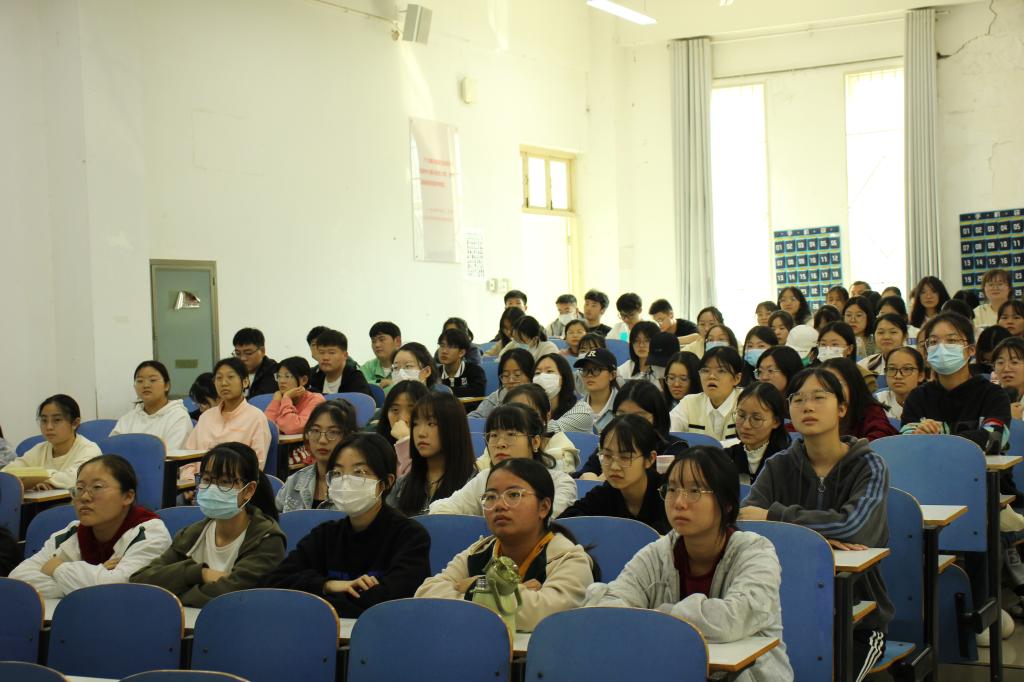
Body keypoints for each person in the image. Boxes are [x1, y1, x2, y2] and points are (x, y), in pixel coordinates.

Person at [585, 446, 793, 682]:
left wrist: (655, 616)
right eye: (672, 489)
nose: (679, 502)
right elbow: (608, 608)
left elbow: (731, 619)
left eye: (694, 491)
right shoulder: (658, 553)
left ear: (726, 503)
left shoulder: (756, 552)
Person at [740, 368, 892, 680]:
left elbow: (853, 528)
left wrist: (776, 518)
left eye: (819, 398)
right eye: (798, 399)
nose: (807, 406)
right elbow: (746, 523)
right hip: (782, 613)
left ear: (842, 408)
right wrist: (819, 534)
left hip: (856, 619)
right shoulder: (778, 465)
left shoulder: (870, 465)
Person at [415, 457, 594, 631]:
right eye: (491, 497)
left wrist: (476, 586)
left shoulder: (569, 558)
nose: (499, 505)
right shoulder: (478, 552)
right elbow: (427, 594)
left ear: (544, 507)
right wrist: (516, 592)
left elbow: (544, 613)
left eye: (514, 495)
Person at [265, 434, 431, 617]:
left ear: (386, 482)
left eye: (359, 472)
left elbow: (389, 601)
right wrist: (328, 585)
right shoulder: (326, 534)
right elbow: (274, 581)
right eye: (337, 473)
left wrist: (317, 601)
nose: (345, 481)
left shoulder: (410, 536)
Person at [131, 444, 286, 607]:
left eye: (225, 482)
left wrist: (174, 594)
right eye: (206, 479)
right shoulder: (192, 535)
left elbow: (233, 596)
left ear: (248, 490)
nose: (212, 488)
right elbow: (141, 580)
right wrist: (199, 572)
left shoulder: (267, 539)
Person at [10, 455, 172, 597]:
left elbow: (119, 589)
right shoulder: (72, 532)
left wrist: (57, 569)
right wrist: (95, 575)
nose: (85, 497)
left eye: (97, 487)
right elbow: (19, 578)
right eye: (79, 488)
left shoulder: (151, 533)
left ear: (128, 496)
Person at [428, 404, 577, 516]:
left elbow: (544, 520)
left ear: (535, 442)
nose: (500, 444)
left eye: (511, 434)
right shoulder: (484, 479)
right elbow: (441, 510)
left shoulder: (559, 483)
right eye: (493, 435)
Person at [901, 313, 1012, 454]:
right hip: (931, 467)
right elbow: (906, 442)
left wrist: (940, 437)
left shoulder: (993, 395)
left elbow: (995, 438)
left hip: (981, 468)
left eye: (951, 340)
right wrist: (918, 434)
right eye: (934, 342)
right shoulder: (918, 397)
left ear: (971, 350)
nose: (941, 348)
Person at [560, 414, 669, 533]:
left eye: (625, 457)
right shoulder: (605, 493)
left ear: (650, 459)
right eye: (607, 456)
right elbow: (565, 522)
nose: (614, 466)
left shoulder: (668, 494)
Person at [388, 393, 478, 516]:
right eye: (416, 424)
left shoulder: (474, 484)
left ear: (453, 428)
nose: (421, 433)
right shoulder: (403, 484)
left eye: (431, 424)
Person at [185, 358, 271, 471]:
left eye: (230, 377)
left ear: (245, 382)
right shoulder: (206, 417)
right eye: (219, 378)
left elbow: (256, 466)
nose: (224, 383)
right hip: (199, 480)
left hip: (235, 480)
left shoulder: (256, 418)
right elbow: (188, 458)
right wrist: (189, 480)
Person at [577, 380, 675, 479]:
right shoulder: (611, 444)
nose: (628, 423)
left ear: (657, 418)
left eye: (638, 417)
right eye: (622, 415)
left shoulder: (673, 449)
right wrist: (587, 476)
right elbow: (583, 473)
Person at [475, 384, 581, 475]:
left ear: (546, 416)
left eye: (529, 411)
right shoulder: (498, 443)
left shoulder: (561, 453)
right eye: (513, 411)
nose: (520, 416)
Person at [3, 395, 102, 490]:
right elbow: (6, 473)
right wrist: (37, 481)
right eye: (44, 420)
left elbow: (77, 477)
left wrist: (36, 480)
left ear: (75, 423)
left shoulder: (89, 450)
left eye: (57, 420)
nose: (49, 427)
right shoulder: (39, 449)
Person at [275, 401, 359, 512]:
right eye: (315, 430)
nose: (322, 440)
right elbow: (274, 518)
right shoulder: (295, 481)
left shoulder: (358, 487)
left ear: (349, 436)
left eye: (333, 432)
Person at [110, 361, 193, 449]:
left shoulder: (178, 417)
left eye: (153, 380)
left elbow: (172, 453)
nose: (146, 385)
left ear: (166, 385)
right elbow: (111, 448)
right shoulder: (128, 419)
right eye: (140, 381)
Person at [669, 347, 743, 441]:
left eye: (721, 371)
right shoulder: (689, 403)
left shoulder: (748, 402)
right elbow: (669, 434)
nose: (711, 376)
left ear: (737, 378)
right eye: (705, 370)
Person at [725, 382, 791, 484]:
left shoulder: (787, 462)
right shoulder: (726, 458)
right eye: (741, 415)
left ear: (776, 422)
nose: (746, 425)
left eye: (757, 418)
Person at [820, 358, 897, 441]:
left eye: (836, 384)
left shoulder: (871, 411)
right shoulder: (817, 411)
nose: (831, 390)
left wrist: (844, 447)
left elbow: (879, 441)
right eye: (824, 386)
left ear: (852, 384)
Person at [375, 380, 430, 477]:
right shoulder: (377, 447)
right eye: (395, 410)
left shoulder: (434, 450)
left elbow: (417, 481)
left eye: (413, 411)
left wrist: (404, 440)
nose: (402, 419)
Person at [533, 353, 594, 433]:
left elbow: (550, 430)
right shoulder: (530, 407)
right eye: (537, 373)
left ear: (562, 379)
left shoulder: (583, 411)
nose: (542, 377)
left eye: (549, 371)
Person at [468, 349, 535, 420]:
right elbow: (473, 417)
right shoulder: (497, 397)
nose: (510, 380)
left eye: (517, 375)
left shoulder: (538, 397)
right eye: (506, 375)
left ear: (530, 375)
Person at [265, 356, 326, 435]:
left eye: (287, 376)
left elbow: (292, 428)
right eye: (279, 376)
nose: (281, 381)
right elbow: (265, 427)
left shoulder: (316, 400)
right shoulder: (279, 398)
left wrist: (286, 398)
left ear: (304, 380)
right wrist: (276, 401)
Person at [814, 321, 878, 393]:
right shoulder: (812, 375)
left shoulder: (864, 378)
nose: (828, 349)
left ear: (849, 349)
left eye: (835, 344)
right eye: (823, 344)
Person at [308, 329, 372, 396]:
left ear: (345, 355)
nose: (325, 358)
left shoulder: (355, 377)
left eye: (331, 353)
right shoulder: (313, 377)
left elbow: (361, 401)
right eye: (321, 352)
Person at [574, 349, 619, 434]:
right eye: (585, 370)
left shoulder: (623, 406)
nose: (589, 375)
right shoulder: (575, 409)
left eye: (596, 370)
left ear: (612, 375)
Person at [875, 347, 925, 421]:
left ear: (921, 375)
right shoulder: (877, 400)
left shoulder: (932, 402)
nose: (898, 376)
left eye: (906, 369)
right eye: (892, 369)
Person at [437, 328, 487, 398]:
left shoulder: (475, 371)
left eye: (450, 346)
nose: (444, 351)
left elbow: (478, 392)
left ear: (461, 352)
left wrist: (444, 392)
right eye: (442, 345)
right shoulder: (435, 373)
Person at [232, 328, 278, 398]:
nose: (242, 358)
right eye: (238, 353)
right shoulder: (232, 372)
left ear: (262, 351)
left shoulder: (275, 372)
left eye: (248, 353)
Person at [617, 321, 662, 387]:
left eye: (647, 340)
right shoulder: (624, 369)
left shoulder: (663, 370)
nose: (641, 345)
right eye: (636, 340)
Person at [361, 322, 402, 390]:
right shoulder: (368, 367)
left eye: (382, 340)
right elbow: (360, 385)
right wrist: (382, 381)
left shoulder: (407, 364)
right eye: (373, 341)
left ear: (397, 341)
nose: (377, 345)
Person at [993, 338, 1024, 420]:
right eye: (1000, 362)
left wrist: (1015, 422)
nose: (1006, 369)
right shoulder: (987, 399)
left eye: (1014, 362)